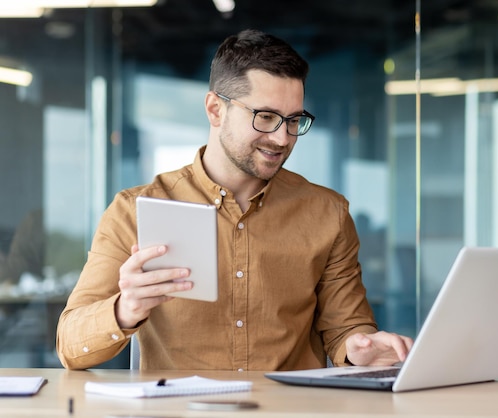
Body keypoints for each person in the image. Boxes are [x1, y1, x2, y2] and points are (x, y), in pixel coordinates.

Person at [56, 29, 413, 371]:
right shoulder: (133, 211)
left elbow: (347, 329)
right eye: (266, 117)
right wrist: (125, 308)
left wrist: (359, 350)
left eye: (293, 120)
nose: (282, 138)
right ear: (215, 109)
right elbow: (70, 346)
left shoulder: (328, 214)